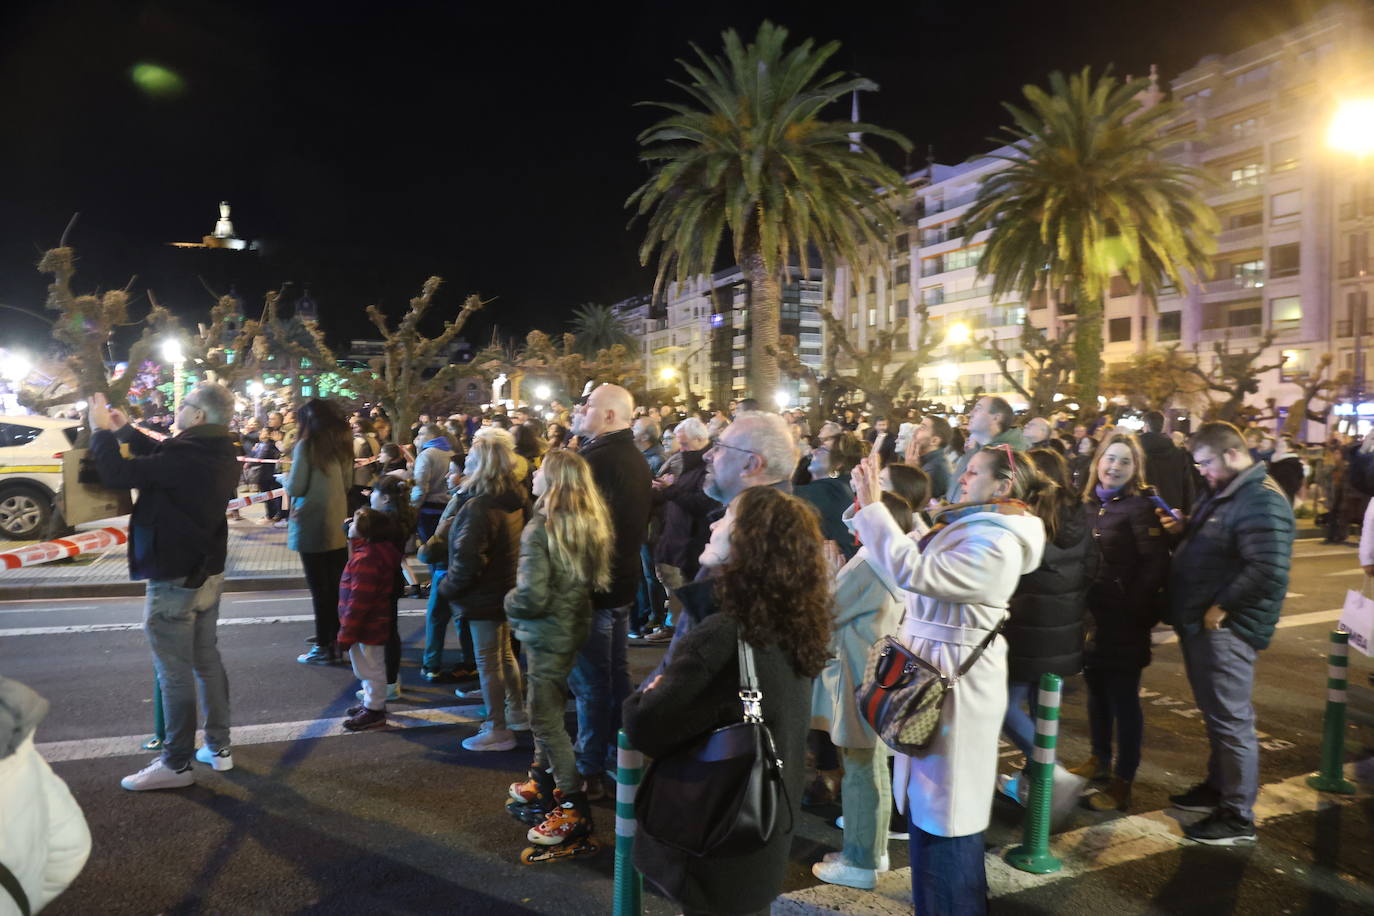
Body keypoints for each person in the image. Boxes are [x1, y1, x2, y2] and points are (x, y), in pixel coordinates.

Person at [850, 444, 1047, 913]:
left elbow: (917, 571)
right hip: (936, 671)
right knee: (932, 813)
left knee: (948, 816)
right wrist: (867, 508)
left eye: (973, 471)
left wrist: (874, 507)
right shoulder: (973, 524)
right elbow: (911, 569)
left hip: (955, 681)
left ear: (1003, 486)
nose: (962, 477)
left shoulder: (1000, 540)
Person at [623, 486, 828, 916]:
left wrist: (651, 689)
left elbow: (645, 724)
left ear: (750, 540)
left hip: (715, 829)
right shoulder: (790, 617)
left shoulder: (727, 632)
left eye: (727, 518)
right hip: (762, 824)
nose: (713, 524)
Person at [86, 386, 242, 789]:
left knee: (174, 673)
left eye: (185, 405)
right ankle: (219, 748)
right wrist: (126, 431)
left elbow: (118, 473)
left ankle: (176, 764)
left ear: (199, 417)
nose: (179, 409)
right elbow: (165, 461)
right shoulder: (222, 450)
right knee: (206, 661)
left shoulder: (187, 455)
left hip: (175, 576)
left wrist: (99, 431)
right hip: (207, 572)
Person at [1159, 422, 1294, 846]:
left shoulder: (1260, 499)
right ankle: (1217, 788)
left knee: (1232, 720)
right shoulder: (1227, 491)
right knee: (1217, 713)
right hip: (1203, 620)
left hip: (1227, 627)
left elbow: (1268, 568)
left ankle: (1237, 815)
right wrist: (1186, 530)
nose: (1201, 472)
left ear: (1232, 454)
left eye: (1205, 463)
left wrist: (1222, 607)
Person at [505, 450, 615, 847]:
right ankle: (541, 777)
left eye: (540, 472)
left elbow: (531, 596)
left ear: (552, 481)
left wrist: (508, 602)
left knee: (545, 717)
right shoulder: (591, 523)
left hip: (546, 631)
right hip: (573, 627)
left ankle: (572, 805)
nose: (533, 475)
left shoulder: (542, 527)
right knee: (548, 706)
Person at [811, 491, 913, 890]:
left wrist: (825, 575)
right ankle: (871, 851)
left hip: (860, 672)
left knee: (859, 767)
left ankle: (860, 859)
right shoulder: (887, 556)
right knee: (870, 766)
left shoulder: (873, 561)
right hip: (875, 670)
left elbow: (828, 609)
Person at [1065, 434, 1168, 812]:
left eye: (1124, 462)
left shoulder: (1140, 507)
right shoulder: (1089, 503)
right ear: (1098, 462)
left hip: (1124, 620)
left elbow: (1156, 563)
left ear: (1135, 469)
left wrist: (1131, 605)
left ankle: (1123, 781)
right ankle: (1098, 761)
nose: (1114, 467)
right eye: (1110, 459)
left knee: (1124, 701)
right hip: (1091, 617)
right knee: (1096, 694)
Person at [996, 448, 1093, 816]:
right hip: (1064, 632)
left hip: (1027, 632)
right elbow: (1092, 567)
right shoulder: (1078, 514)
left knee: (1006, 709)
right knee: (1042, 713)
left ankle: (1050, 771)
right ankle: (1036, 786)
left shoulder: (1023, 518)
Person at [567, 384, 652, 795]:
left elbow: (575, 527)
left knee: (592, 683)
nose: (582, 410)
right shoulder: (632, 457)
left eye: (591, 406)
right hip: (619, 584)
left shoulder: (596, 461)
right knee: (614, 676)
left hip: (595, 588)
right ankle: (623, 753)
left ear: (612, 416)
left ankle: (589, 766)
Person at [440, 430, 531, 751]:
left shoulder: (478, 506)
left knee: (488, 662)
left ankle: (497, 729)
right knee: (504, 655)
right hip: (507, 589)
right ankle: (516, 711)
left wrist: (446, 587)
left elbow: (468, 560)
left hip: (484, 594)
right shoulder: (515, 497)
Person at [0, 676, 91, 910]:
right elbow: (70, 844)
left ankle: (175, 762)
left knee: (172, 674)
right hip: (17, 896)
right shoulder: (11, 726)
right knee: (196, 669)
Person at [288, 399, 355, 665]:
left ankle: (324, 645)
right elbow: (348, 483)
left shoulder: (307, 446)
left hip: (311, 522)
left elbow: (296, 486)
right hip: (336, 520)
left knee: (319, 588)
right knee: (336, 585)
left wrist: (285, 479)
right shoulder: (343, 446)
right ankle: (337, 636)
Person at [645, 417, 717, 643]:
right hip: (675, 539)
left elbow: (702, 503)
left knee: (686, 592)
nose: (680, 448)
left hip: (691, 542)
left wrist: (671, 489)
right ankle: (676, 629)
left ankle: (684, 635)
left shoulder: (707, 467)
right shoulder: (685, 463)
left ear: (699, 440)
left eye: (684, 444)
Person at [336, 508, 403, 731]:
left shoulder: (366, 559)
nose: (349, 523)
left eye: (354, 522)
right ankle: (371, 703)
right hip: (369, 623)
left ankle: (374, 710)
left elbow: (359, 600)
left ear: (366, 533)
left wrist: (347, 632)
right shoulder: (372, 552)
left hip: (366, 625)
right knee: (368, 667)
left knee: (370, 668)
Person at [796, 431, 865, 561]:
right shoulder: (839, 486)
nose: (814, 452)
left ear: (838, 463)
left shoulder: (834, 490)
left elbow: (781, 497)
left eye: (822, 450)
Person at [947, 396, 1027, 502]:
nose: (970, 414)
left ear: (996, 418)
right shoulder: (976, 448)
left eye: (978, 409)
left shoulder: (1009, 457)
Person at [1138, 410, 1195, 514]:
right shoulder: (1179, 454)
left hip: (1141, 512)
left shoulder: (1136, 452)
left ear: (1145, 425)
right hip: (1172, 512)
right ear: (1163, 426)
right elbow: (1188, 489)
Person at [411, 424, 455, 543]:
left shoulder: (427, 455)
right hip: (447, 506)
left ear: (432, 436)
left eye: (421, 434)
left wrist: (413, 507)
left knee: (430, 547)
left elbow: (420, 486)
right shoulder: (450, 452)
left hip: (429, 509)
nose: (418, 438)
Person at [907, 414, 952, 506]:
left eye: (922, 428)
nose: (915, 431)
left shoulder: (936, 468)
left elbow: (913, 503)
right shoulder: (925, 462)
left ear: (934, 441)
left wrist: (910, 471)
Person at [349, 416, 381, 514]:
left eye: (355, 427)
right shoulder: (374, 440)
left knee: (358, 506)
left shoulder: (357, 441)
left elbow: (352, 458)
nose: (353, 429)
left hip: (359, 478)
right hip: (373, 477)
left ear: (362, 427)